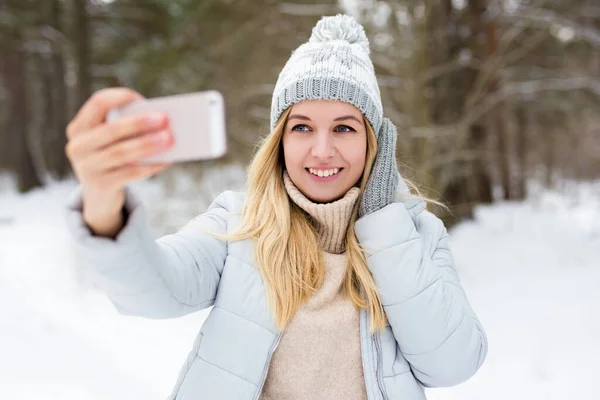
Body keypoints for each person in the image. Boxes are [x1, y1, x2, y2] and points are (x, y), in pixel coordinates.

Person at [65, 14, 487, 400]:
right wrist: (103, 200)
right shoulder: (238, 225)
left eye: (344, 127)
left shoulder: (416, 237)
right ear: (279, 141)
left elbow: (452, 363)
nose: (322, 150)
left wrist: (381, 221)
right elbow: (150, 292)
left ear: (375, 142)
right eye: (302, 127)